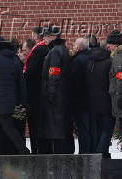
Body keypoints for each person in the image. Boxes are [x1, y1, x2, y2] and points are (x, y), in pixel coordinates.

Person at [38, 26, 74, 154]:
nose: (44, 39)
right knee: (63, 128)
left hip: (56, 98)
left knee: (57, 130)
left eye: (46, 36)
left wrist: (50, 94)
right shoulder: (63, 50)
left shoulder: (54, 52)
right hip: (63, 95)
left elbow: (54, 74)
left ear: (54, 37)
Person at [85, 38, 115, 158]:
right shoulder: (109, 62)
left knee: (97, 128)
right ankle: (101, 151)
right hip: (106, 100)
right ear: (107, 48)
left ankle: (101, 153)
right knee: (107, 128)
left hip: (92, 100)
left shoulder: (90, 61)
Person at [23, 35, 48, 154]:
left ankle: (35, 151)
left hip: (34, 99)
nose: (23, 53)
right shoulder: (39, 53)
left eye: (24, 50)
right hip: (38, 98)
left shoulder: (35, 56)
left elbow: (29, 75)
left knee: (35, 128)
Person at [70, 37, 91, 154]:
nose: (73, 46)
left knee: (82, 129)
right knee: (88, 129)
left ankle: (84, 153)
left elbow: (75, 83)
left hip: (80, 101)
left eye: (74, 45)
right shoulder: (90, 58)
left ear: (79, 47)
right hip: (90, 99)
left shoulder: (77, 61)